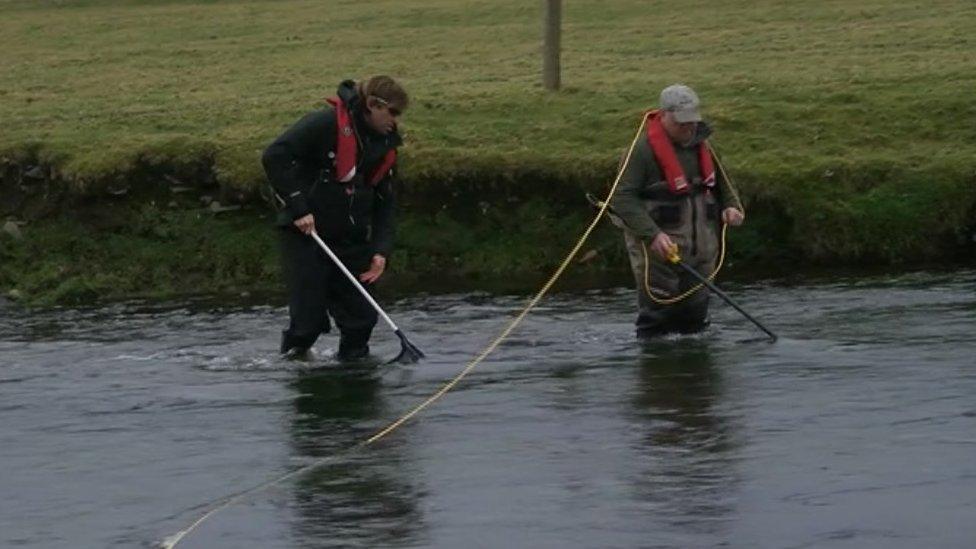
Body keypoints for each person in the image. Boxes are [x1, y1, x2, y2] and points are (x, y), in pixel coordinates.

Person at [262, 76, 407, 360]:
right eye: (392, 112)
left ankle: (354, 378)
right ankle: (295, 365)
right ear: (372, 105)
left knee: (361, 321)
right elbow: (274, 156)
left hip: (352, 240)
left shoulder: (385, 144)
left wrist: (380, 250)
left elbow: (386, 202)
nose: (395, 121)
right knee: (308, 324)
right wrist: (298, 208)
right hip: (307, 235)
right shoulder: (324, 124)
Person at [609, 84, 745, 338]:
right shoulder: (641, 152)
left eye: (692, 121)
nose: (689, 128)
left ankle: (693, 372)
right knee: (656, 322)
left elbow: (723, 183)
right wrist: (653, 235)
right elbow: (622, 198)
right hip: (659, 251)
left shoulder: (704, 145)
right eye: (682, 123)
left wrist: (731, 207)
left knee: (695, 319)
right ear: (663, 116)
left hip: (703, 247)